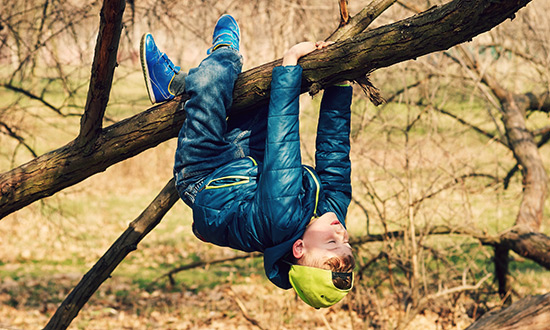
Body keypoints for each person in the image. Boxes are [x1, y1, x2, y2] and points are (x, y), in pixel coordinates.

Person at [140, 14, 355, 308]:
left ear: (299, 247)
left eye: (332, 242)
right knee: (261, 92)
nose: (342, 232)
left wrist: (290, 62)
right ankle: (174, 87)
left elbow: (284, 143)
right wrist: (340, 85)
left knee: (212, 84)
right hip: (250, 164)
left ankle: (224, 53)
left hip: (205, 174)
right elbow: (335, 154)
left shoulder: (281, 219)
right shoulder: (332, 215)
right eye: (347, 242)